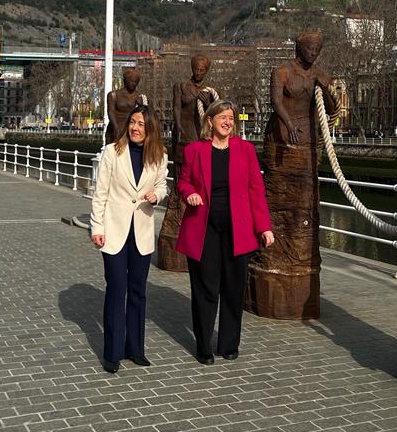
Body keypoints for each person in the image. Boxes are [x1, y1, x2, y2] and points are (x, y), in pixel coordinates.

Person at [246, 30, 335, 320]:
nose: (314, 53)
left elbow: (332, 111)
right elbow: (275, 101)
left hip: (308, 142)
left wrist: (328, 90)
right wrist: (287, 123)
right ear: (299, 47)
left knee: (305, 202)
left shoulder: (319, 75)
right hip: (282, 138)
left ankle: (300, 258)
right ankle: (271, 254)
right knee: (277, 197)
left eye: (318, 49)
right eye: (310, 48)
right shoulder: (281, 71)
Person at [176, 100, 274, 364]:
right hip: (204, 227)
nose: (227, 121)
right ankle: (204, 345)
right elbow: (182, 182)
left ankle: (229, 344)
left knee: (233, 288)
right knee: (205, 289)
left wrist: (264, 227)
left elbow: (256, 190)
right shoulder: (195, 151)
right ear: (210, 121)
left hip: (238, 229)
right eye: (222, 117)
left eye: (231, 118)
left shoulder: (246, 151)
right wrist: (190, 193)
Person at [89, 104, 168, 373]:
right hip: (114, 231)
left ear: (150, 129)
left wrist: (157, 196)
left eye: (141, 124)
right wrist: (96, 227)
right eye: (133, 122)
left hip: (142, 232)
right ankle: (112, 352)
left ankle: (135, 349)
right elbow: (100, 193)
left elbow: (161, 184)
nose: (135, 128)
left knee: (137, 292)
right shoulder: (113, 152)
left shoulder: (158, 155)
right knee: (116, 289)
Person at [158, 54, 218, 271]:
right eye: (196, 68)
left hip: (199, 138)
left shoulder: (209, 93)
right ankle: (178, 220)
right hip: (182, 137)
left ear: (207, 71)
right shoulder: (181, 86)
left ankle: (196, 224)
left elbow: (214, 115)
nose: (198, 72)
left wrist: (208, 102)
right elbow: (176, 108)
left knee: (199, 181)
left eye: (202, 70)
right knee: (181, 180)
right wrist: (179, 129)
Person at [105, 69, 146, 144]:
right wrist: (116, 128)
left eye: (136, 82)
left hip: (131, 127)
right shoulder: (113, 95)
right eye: (131, 81)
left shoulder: (139, 96)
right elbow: (111, 112)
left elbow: (146, 112)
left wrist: (141, 105)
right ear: (125, 81)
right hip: (116, 126)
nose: (134, 84)